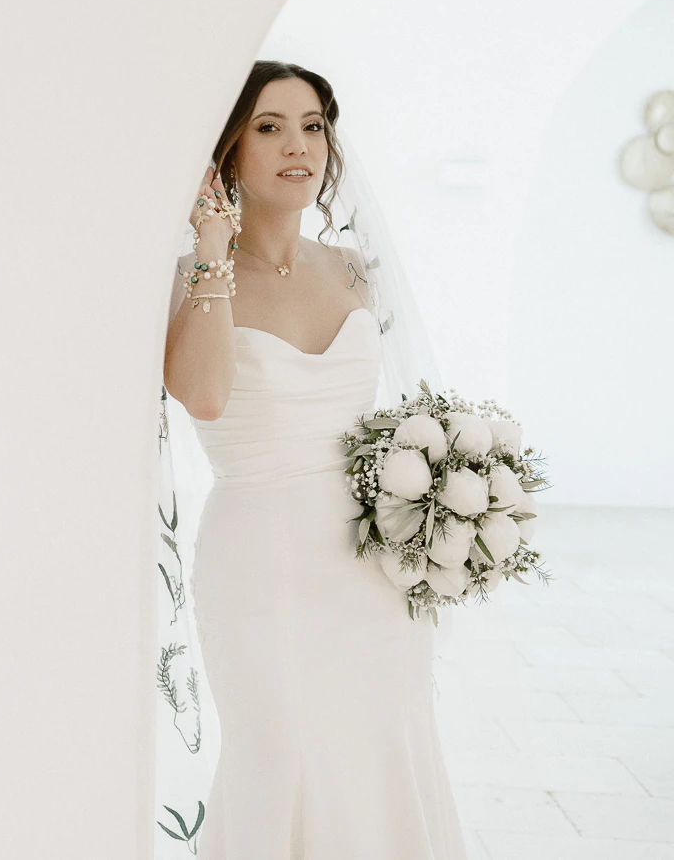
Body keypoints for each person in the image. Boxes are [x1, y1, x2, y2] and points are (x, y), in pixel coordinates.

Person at [161, 61, 468, 858]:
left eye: (312, 126)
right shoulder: (194, 276)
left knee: (382, 743)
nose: (297, 145)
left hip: (372, 560)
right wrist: (211, 245)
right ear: (227, 148)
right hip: (261, 557)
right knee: (280, 749)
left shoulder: (352, 270)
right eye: (269, 126)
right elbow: (201, 394)